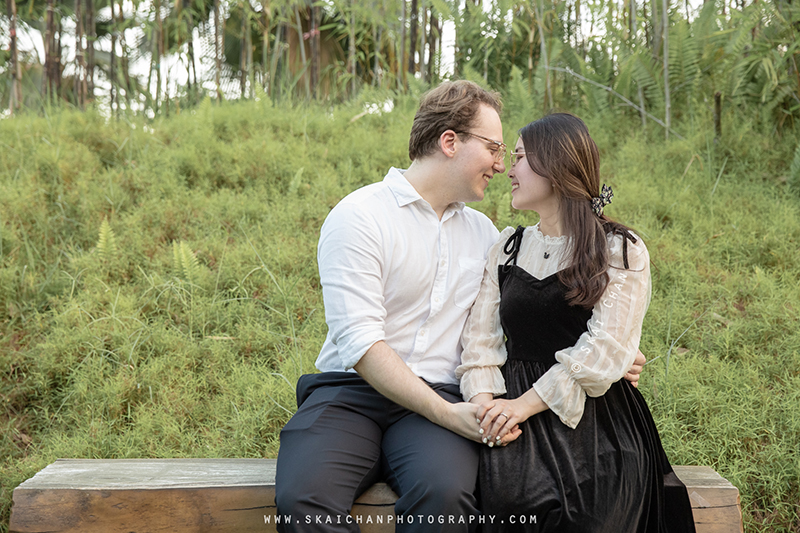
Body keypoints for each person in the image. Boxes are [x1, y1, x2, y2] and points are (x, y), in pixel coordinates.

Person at [275, 82, 645, 533]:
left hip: (446, 395)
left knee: (446, 498)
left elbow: (528, 316)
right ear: (450, 142)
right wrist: (448, 414)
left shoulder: (487, 236)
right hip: (350, 394)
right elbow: (359, 341)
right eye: (494, 147)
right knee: (302, 499)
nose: (500, 163)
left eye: (509, 153)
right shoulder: (360, 217)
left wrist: (615, 354)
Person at [457, 113, 696, 532]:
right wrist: (487, 405)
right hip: (513, 418)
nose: (507, 170)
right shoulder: (507, 248)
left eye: (519, 158)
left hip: (596, 420)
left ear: (556, 165)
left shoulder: (620, 250)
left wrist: (520, 406)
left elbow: (605, 350)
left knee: (592, 513)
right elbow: (480, 342)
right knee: (512, 502)